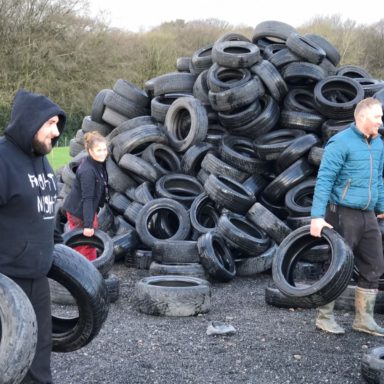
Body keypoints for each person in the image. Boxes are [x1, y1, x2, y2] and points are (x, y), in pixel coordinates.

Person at [0, 89, 66, 383]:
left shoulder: (42, 158)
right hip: (5, 286)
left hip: (38, 280)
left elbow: (46, 210)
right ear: (29, 122)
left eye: (57, 124)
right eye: (50, 123)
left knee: (38, 361)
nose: (56, 131)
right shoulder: (2, 160)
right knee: (7, 363)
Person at [310, 97, 384, 336]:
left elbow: (378, 178)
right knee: (338, 264)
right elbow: (324, 180)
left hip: (368, 214)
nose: (380, 122)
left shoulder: (379, 143)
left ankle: (364, 320)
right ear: (362, 117)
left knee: (374, 265)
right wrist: (316, 216)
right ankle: (325, 317)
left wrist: (381, 206)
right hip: (341, 212)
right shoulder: (340, 142)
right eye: (377, 117)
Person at [63, 131, 109, 261]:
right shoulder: (88, 171)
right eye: (99, 150)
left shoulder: (97, 163)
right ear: (89, 150)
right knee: (86, 245)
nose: (103, 153)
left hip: (86, 209)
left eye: (104, 149)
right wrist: (88, 226)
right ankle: (85, 274)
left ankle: (89, 269)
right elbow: (87, 199)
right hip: (79, 212)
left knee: (89, 243)